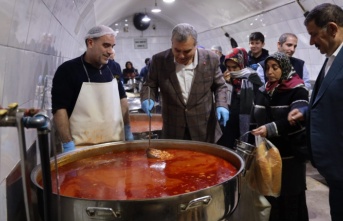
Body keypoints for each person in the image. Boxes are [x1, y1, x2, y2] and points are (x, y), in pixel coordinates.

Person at [288, 3, 343, 221]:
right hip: (334, 168)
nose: (310, 42)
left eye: (313, 35)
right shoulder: (332, 58)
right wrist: (306, 111)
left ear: (331, 28)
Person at [140, 23, 229, 143]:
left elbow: (220, 85)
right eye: (177, 50)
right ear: (172, 43)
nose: (181, 56)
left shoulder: (210, 59)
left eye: (187, 51)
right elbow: (150, 84)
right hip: (173, 127)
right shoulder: (159, 60)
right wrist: (147, 97)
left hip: (204, 127)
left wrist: (221, 104)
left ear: (195, 45)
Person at [51, 25, 134, 153]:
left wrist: (127, 129)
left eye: (112, 46)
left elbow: (122, 99)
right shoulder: (68, 70)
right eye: (106, 45)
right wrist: (68, 144)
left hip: (115, 146)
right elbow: (59, 110)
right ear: (90, 43)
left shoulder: (114, 68)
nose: (111, 51)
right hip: (81, 150)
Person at [251, 52, 309, 221]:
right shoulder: (263, 90)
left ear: (284, 68)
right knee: (271, 197)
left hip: (290, 156)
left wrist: (270, 128)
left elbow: (297, 117)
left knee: (290, 197)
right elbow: (253, 120)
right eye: (267, 68)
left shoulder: (297, 89)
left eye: (275, 67)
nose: (270, 72)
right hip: (267, 156)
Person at [217, 47, 263, 148]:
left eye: (234, 67)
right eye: (228, 67)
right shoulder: (225, 79)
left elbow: (258, 101)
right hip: (228, 123)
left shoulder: (253, 78)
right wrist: (226, 83)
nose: (231, 70)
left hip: (247, 123)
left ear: (242, 64)